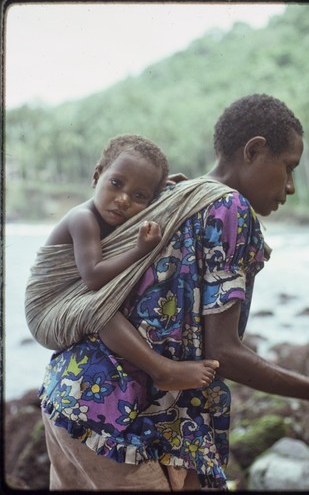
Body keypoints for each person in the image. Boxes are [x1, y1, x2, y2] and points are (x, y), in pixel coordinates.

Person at [38, 94, 309, 491]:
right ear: (254, 150)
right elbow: (223, 353)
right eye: (288, 168)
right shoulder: (231, 209)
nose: (291, 187)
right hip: (116, 423)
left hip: (69, 397)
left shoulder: (180, 195)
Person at [25, 134, 219, 391]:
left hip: (70, 298)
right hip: (45, 311)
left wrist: (166, 192)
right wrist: (140, 249)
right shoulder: (83, 219)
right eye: (116, 183)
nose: (124, 199)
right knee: (101, 308)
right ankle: (162, 370)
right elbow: (93, 277)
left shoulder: (120, 211)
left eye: (139, 195)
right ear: (97, 176)